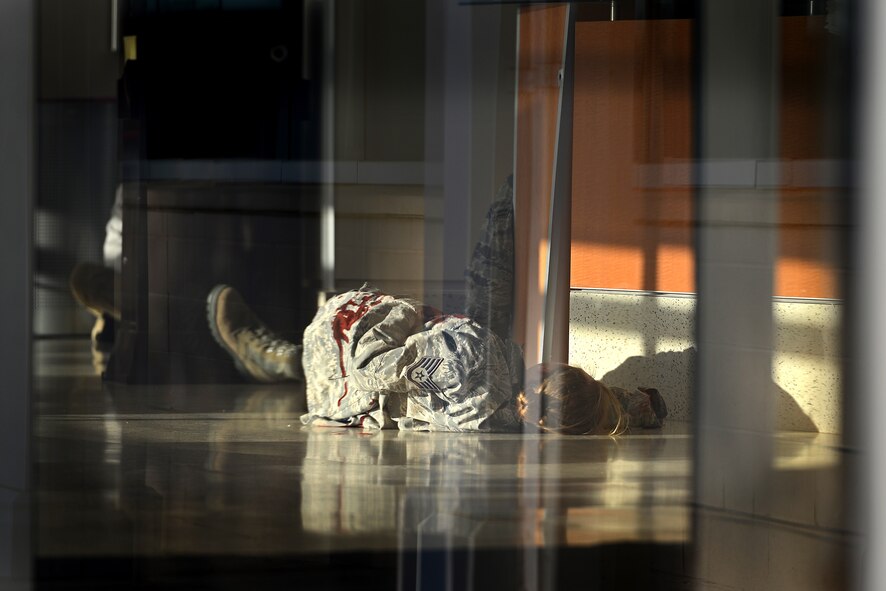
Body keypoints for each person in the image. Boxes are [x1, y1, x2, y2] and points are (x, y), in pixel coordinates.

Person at [206, 178, 667, 433]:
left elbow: (374, 370)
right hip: (439, 369)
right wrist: (643, 405)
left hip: (354, 376)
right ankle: (515, 186)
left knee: (312, 363)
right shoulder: (562, 413)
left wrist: (408, 312)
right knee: (484, 301)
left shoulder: (484, 380)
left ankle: (270, 357)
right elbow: (593, 406)